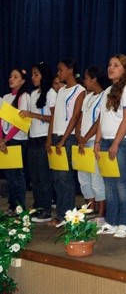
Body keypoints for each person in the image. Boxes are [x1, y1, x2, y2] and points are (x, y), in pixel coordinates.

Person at [95, 54, 126, 238]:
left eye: (116, 65)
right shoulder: (107, 91)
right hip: (105, 142)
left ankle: (123, 223)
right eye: (109, 64)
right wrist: (97, 141)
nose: (110, 68)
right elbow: (101, 118)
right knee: (109, 184)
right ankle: (110, 221)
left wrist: (116, 143)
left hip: (123, 142)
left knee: (122, 183)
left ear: (124, 69)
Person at [46, 59, 86, 225]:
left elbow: (75, 117)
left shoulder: (80, 90)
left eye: (61, 69)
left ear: (70, 70)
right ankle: (60, 213)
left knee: (65, 177)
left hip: (67, 139)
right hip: (56, 136)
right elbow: (54, 116)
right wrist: (49, 138)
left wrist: (63, 140)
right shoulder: (61, 90)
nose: (58, 73)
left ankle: (66, 215)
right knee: (56, 177)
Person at [19, 62, 56, 222]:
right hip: (32, 139)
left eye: (36, 74)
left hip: (44, 139)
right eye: (32, 74)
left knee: (44, 176)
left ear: (43, 76)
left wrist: (49, 140)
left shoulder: (51, 94)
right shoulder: (33, 94)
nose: (33, 77)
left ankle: (46, 210)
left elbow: (54, 118)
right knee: (35, 177)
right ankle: (38, 206)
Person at [76, 66, 109, 223]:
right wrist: (78, 135)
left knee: (96, 178)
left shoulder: (104, 96)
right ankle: (90, 209)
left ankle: (101, 212)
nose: (85, 81)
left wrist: (86, 137)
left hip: (94, 142)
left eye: (87, 78)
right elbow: (81, 118)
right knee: (84, 177)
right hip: (82, 142)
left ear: (95, 79)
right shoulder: (87, 97)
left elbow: (100, 120)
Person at [0, 68, 30, 214]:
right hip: (4, 140)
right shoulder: (5, 97)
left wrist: (6, 139)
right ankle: (12, 206)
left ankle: (19, 207)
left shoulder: (24, 97)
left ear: (23, 81)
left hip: (17, 140)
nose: (11, 79)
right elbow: (1, 121)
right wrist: (1, 139)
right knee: (9, 176)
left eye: (16, 76)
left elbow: (19, 123)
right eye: (10, 76)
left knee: (17, 175)